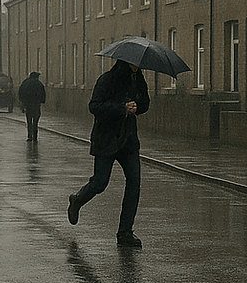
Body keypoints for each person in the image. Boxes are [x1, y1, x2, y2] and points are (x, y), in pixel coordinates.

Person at [66, 60, 149, 247]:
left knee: (134, 183)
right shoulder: (107, 79)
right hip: (107, 138)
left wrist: (138, 107)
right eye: (134, 63)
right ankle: (77, 200)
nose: (137, 65)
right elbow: (94, 106)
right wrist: (121, 108)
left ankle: (125, 232)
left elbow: (145, 103)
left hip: (128, 140)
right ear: (125, 62)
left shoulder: (139, 80)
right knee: (100, 182)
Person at [18, 71, 46, 142]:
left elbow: (20, 92)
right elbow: (43, 93)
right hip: (36, 105)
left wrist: (22, 102)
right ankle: (35, 136)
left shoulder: (25, 83)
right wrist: (42, 101)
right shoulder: (38, 83)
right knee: (35, 121)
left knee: (29, 121)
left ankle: (29, 136)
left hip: (28, 105)